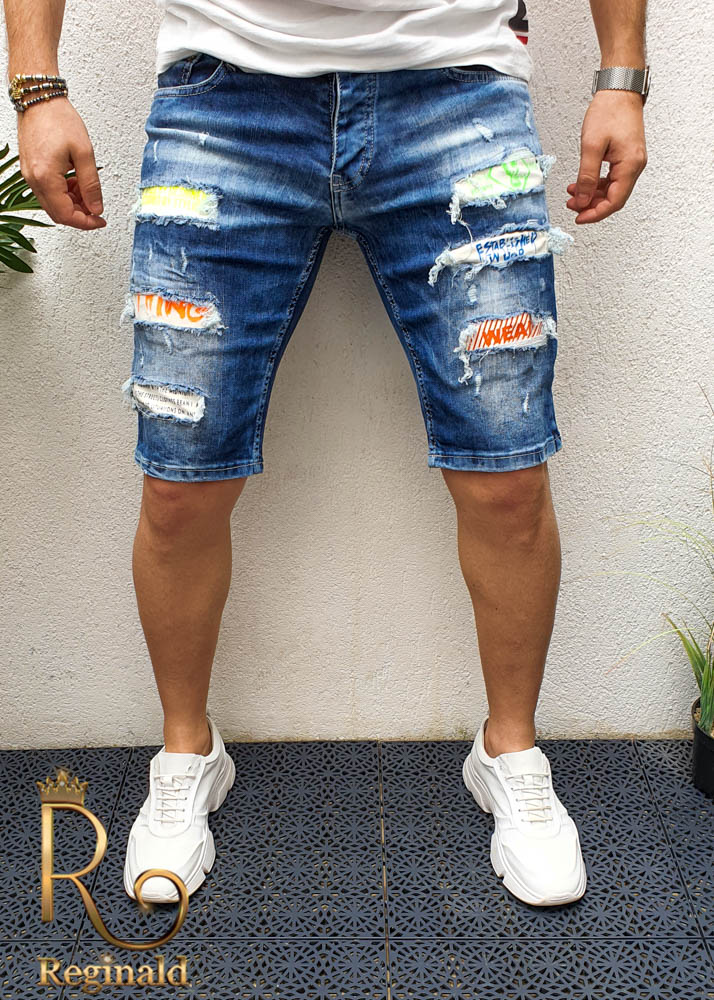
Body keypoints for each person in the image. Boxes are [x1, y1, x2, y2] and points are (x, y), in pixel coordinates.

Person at [5, 0, 648, 908]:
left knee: (506, 471)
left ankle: (512, 752)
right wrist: (36, 87)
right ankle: (187, 753)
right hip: (223, 93)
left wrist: (622, 75)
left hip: (457, 85)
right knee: (181, 478)